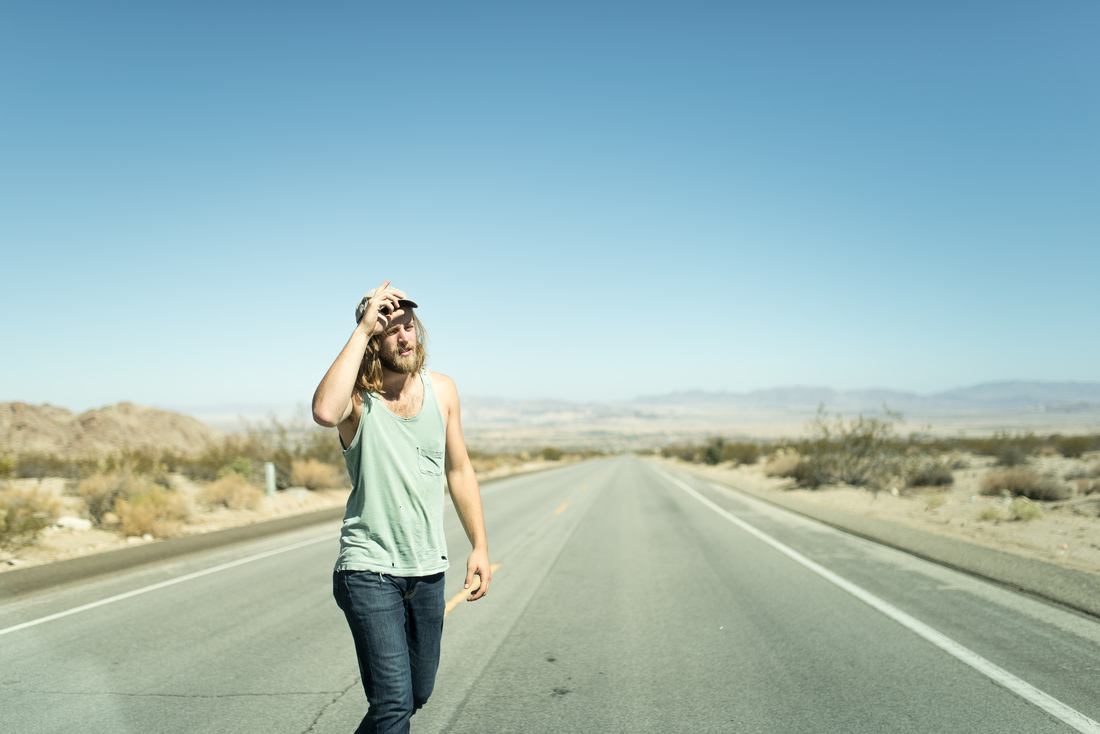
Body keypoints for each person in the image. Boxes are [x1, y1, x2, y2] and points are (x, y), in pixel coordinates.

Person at [311, 280, 491, 734]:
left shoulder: (443, 390)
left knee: (416, 695)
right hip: (369, 570)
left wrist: (480, 547)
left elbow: (460, 471)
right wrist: (361, 329)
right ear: (373, 340)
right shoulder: (357, 401)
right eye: (389, 330)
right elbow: (324, 412)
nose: (404, 337)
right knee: (392, 703)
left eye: (408, 326)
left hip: (428, 569)